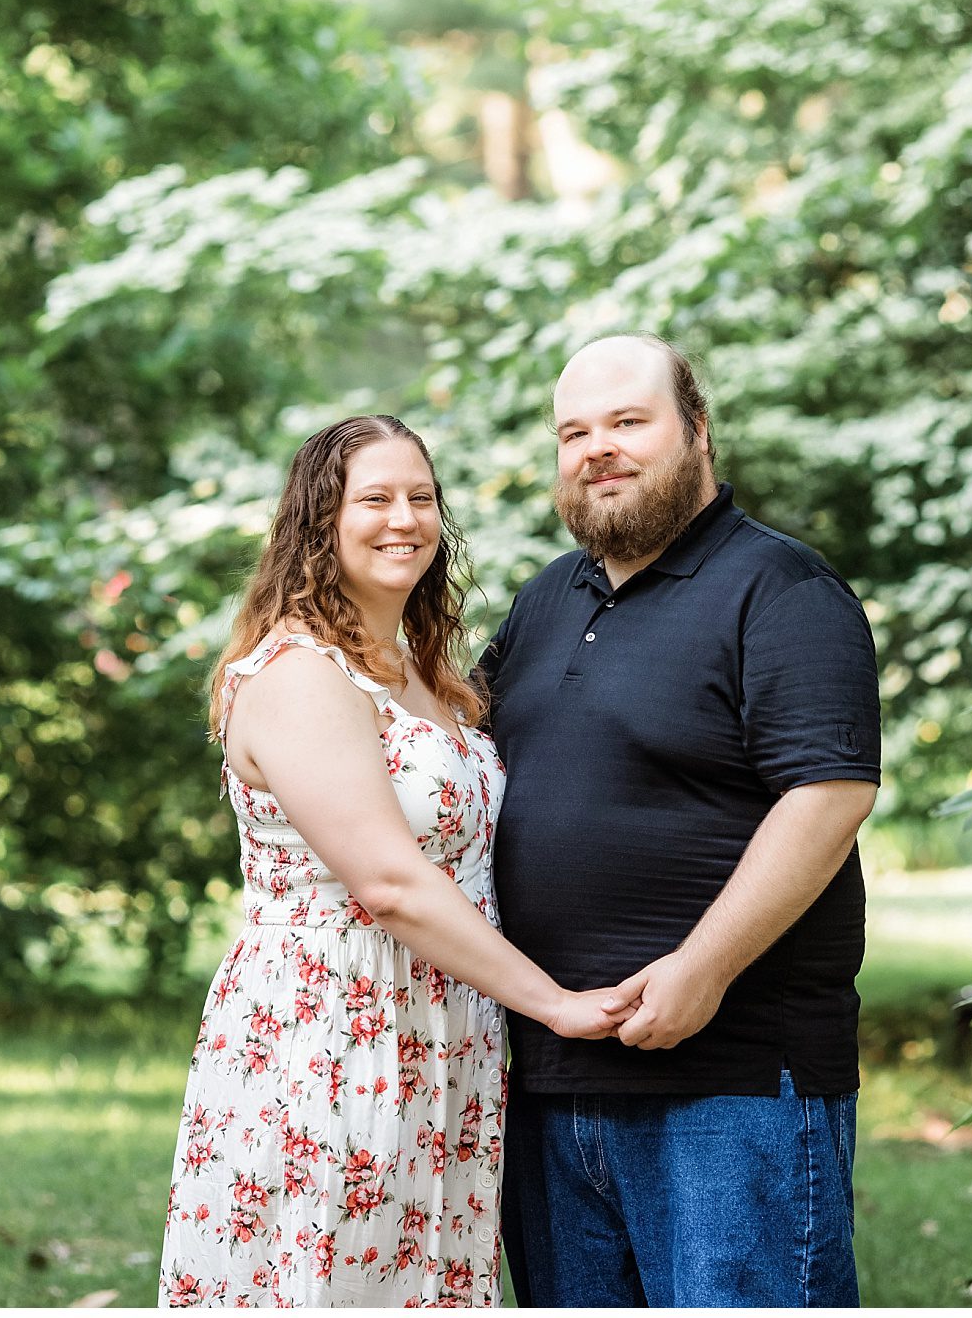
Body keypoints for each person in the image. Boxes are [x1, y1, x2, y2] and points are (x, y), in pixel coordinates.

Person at [159, 414, 632, 1308]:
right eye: (374, 499)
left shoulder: (422, 669)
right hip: (336, 1026)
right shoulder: (300, 672)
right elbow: (387, 883)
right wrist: (555, 1005)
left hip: (441, 1028)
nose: (404, 519)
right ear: (320, 521)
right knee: (331, 1277)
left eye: (421, 497)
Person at [478, 334, 882, 1306]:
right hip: (550, 1080)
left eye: (628, 421)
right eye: (574, 432)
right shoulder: (544, 598)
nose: (598, 449)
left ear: (698, 430)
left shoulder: (780, 587)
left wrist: (702, 968)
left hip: (731, 1085)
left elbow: (829, 795)